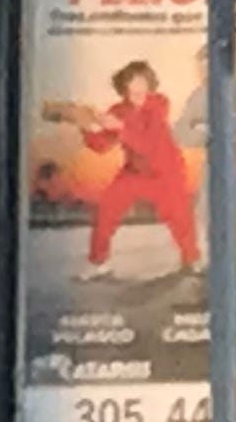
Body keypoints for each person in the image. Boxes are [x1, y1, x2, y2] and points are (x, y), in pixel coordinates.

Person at [48, 60, 200, 278]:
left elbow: (146, 144)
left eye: (142, 83)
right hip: (134, 173)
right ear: (124, 87)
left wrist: (119, 126)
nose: (138, 89)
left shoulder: (159, 105)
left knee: (180, 217)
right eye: (132, 83)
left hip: (167, 172)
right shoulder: (118, 111)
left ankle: (191, 260)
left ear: (150, 85)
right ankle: (98, 263)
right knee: (106, 210)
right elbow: (100, 147)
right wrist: (86, 126)